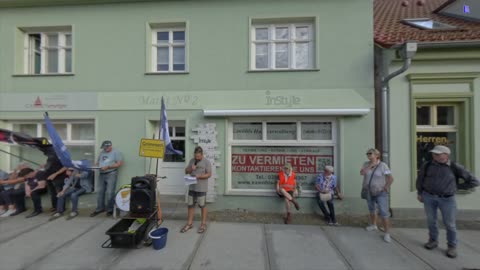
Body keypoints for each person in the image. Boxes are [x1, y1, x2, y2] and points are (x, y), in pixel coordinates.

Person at [416, 145, 479, 258]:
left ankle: (452, 246)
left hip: (447, 199)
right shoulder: (428, 165)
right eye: (434, 153)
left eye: (438, 154)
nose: (434, 155)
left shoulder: (455, 166)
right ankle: (433, 241)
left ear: (446, 155)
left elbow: (474, 181)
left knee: (450, 224)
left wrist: (456, 187)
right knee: (431, 221)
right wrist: (420, 193)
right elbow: (420, 179)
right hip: (429, 197)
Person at [360, 148, 394, 243]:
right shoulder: (366, 164)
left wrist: (386, 187)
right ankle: (374, 225)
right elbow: (362, 173)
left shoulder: (383, 165)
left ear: (376, 155)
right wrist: (370, 165)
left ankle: (387, 233)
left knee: (383, 212)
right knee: (372, 209)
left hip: (380, 192)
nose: (368, 155)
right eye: (367, 154)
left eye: (370, 153)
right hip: (369, 191)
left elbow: (390, 178)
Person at [180, 146, 212, 234]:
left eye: (198, 157)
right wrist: (191, 168)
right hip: (192, 186)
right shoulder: (192, 160)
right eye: (195, 156)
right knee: (190, 205)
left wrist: (200, 176)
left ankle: (203, 224)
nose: (197, 158)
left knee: (202, 205)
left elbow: (209, 174)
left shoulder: (206, 162)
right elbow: (186, 171)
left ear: (202, 155)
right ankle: (189, 224)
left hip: (201, 188)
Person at [90, 140, 124, 217]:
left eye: (106, 148)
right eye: (104, 148)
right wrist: (95, 166)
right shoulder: (102, 153)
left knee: (110, 192)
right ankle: (99, 208)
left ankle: (110, 210)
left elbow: (119, 163)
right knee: (100, 192)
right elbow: (98, 162)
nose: (104, 149)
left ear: (110, 146)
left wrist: (108, 167)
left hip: (111, 173)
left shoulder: (116, 152)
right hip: (102, 173)